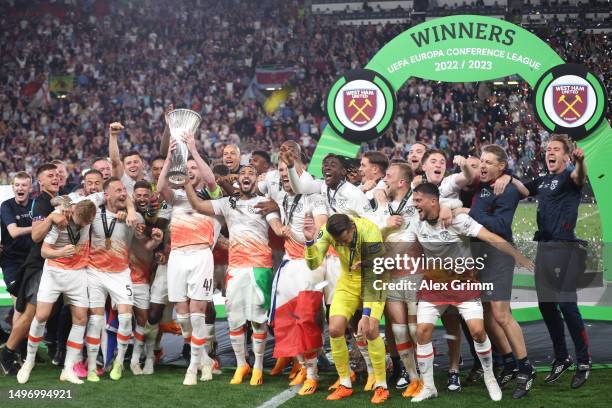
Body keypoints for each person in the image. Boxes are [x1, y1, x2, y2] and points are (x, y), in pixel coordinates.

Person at [406, 183, 532, 402]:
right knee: (422, 331)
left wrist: (516, 255)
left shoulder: (458, 220)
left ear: (433, 201)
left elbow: (490, 237)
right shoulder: (416, 223)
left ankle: (490, 376)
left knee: (477, 332)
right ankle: (429, 387)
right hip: (435, 285)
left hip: (464, 284)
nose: (414, 205)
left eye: (418, 201)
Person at [183, 164, 284, 387]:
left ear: (257, 179)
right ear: (238, 180)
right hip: (236, 268)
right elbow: (198, 204)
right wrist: (186, 185)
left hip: (260, 268)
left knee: (258, 320)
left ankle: (257, 366)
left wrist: (279, 210)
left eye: (251, 173)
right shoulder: (228, 203)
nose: (247, 176)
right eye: (243, 174)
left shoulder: (264, 204)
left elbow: (277, 227)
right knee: (235, 320)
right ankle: (241, 365)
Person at [455, 144, 536, 398]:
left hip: (499, 254)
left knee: (501, 314)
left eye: (489, 162)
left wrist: (471, 212)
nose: (483, 165)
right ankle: (510, 362)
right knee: (489, 312)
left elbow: (501, 225)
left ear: (501, 166)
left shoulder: (507, 188)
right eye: (482, 160)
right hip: (479, 255)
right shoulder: (483, 184)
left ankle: (526, 368)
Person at [516, 134, 591, 389]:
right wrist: (502, 177)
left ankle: (584, 361)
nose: (550, 152)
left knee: (567, 306)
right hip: (545, 249)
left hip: (565, 249)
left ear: (567, 155)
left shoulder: (571, 174)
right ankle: (562, 357)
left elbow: (579, 177)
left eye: (556, 149)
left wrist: (581, 162)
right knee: (547, 306)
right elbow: (521, 189)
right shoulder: (544, 180)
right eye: (548, 149)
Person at [303, 213, 390, 404]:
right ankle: (344, 383)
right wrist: (310, 243)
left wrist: (366, 314)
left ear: (352, 227)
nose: (344, 243)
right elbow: (313, 264)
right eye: (339, 242)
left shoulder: (369, 230)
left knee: (371, 329)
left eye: (346, 238)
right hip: (348, 282)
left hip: (374, 279)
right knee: (334, 329)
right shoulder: (327, 232)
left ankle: (382, 385)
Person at [156, 134, 221, 385]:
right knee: (182, 315)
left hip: (201, 255)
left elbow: (212, 178)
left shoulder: (210, 195)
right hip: (178, 256)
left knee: (197, 313)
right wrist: (171, 158)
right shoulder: (177, 195)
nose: (191, 171)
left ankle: (193, 368)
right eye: (188, 168)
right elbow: (161, 187)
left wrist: (193, 150)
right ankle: (204, 357)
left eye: (195, 168)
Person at [16, 200, 97, 385]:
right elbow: (44, 251)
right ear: (73, 212)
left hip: (78, 274)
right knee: (41, 315)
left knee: (81, 319)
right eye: (78, 221)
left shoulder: (88, 212)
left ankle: (68, 369)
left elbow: (99, 194)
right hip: (54, 271)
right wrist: (61, 252)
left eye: (85, 223)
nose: (81, 225)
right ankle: (28, 362)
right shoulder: (61, 217)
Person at [268, 160, 328, 395]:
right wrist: (274, 222)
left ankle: (312, 374)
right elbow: (261, 200)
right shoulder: (281, 193)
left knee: (306, 319)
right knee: (288, 320)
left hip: (310, 263)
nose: (284, 175)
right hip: (288, 264)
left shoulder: (313, 195)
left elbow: (322, 229)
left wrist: (309, 237)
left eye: (288, 170)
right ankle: (303, 366)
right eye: (281, 170)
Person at [0, 164, 65, 376]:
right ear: (41, 182)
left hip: (54, 264)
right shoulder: (40, 204)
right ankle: (8, 353)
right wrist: (51, 218)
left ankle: (27, 349)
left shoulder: (59, 200)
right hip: (38, 265)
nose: (55, 177)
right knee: (31, 312)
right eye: (49, 175)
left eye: (57, 174)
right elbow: (37, 236)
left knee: (48, 311)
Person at [83, 178, 146, 382]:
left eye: (124, 191)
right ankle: (92, 366)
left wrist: (130, 210)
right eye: (118, 190)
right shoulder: (93, 215)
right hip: (95, 272)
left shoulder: (132, 217)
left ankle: (119, 362)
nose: (122, 193)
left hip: (120, 273)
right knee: (96, 320)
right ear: (106, 195)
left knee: (126, 318)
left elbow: (141, 232)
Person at [0, 172, 33, 300]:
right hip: (11, 261)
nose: (20, 188)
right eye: (17, 185)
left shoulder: (35, 204)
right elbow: (13, 232)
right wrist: (38, 227)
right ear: (12, 187)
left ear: (30, 188)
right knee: (19, 303)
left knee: (33, 303)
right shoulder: (6, 205)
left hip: (32, 260)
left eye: (24, 185)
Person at [108, 122, 147, 194]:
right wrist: (113, 136)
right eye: (128, 163)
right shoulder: (121, 180)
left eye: (136, 162)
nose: (133, 165)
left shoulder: (151, 180)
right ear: (123, 167)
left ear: (143, 164)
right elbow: (115, 161)